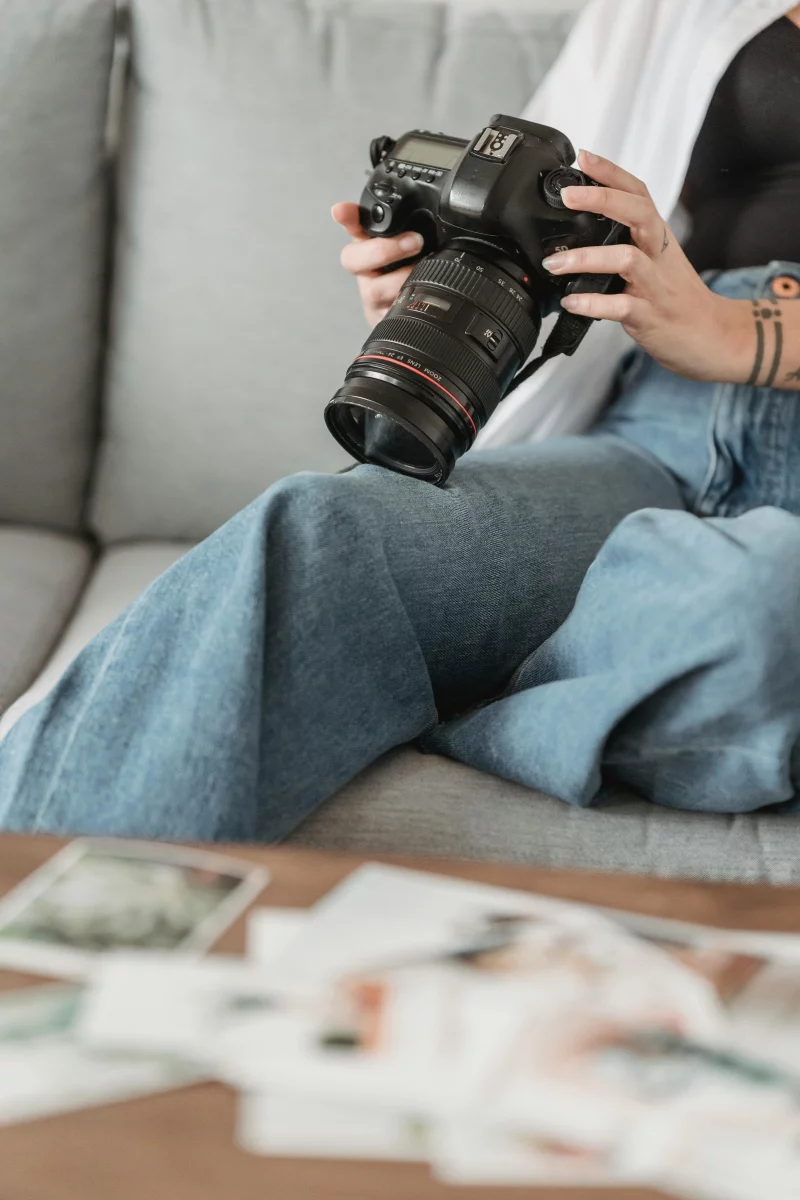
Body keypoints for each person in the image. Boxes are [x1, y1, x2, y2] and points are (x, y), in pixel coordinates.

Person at [0, 1, 799, 842]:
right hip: (653, 432)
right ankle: (31, 922)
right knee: (323, 527)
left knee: (762, 608)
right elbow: (552, 201)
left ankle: (432, 689)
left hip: (731, 395)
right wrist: (466, 279)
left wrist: (732, 333)